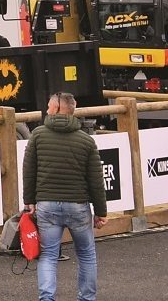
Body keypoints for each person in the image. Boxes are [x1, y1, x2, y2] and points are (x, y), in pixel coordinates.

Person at [23, 92, 107, 301]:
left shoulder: (38, 135)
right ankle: (86, 298)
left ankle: (46, 298)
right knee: (86, 255)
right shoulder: (86, 141)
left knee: (48, 255)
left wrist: (29, 201)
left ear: (56, 109)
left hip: (47, 205)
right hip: (78, 205)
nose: (46, 110)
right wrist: (101, 212)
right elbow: (96, 180)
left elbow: (29, 171)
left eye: (49, 107)